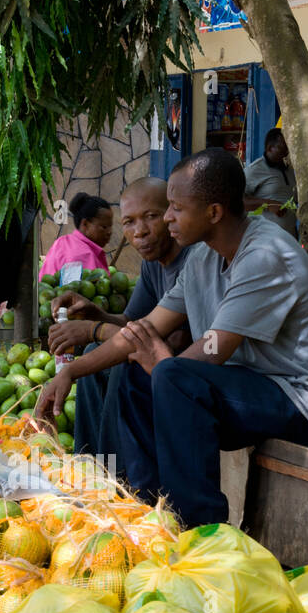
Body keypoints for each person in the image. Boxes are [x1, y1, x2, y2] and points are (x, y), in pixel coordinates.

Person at [37, 148, 308, 528]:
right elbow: (145, 329)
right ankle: (139, 507)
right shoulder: (203, 256)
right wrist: (71, 373)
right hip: (251, 386)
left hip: (305, 402)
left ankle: (198, 531)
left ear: (214, 212)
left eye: (174, 208)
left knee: (172, 378)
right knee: (133, 371)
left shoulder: (265, 254)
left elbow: (213, 351)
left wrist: (162, 363)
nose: (167, 217)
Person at [47, 177, 193, 460]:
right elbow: (130, 321)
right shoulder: (152, 265)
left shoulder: (192, 262)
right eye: (128, 222)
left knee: (123, 365)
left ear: (171, 215)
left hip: (184, 368)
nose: (140, 232)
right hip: (159, 359)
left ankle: (117, 475)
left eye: (151, 217)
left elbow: (154, 339)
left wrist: (94, 329)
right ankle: (90, 463)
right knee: (94, 355)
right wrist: (94, 313)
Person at [40, 193, 113, 277]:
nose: (109, 232)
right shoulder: (81, 256)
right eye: (104, 227)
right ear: (85, 224)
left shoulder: (63, 241)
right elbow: (74, 288)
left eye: (110, 226)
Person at [244, 128, 297, 238]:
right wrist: (268, 204)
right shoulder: (255, 169)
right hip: (265, 240)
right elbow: (238, 202)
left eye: (287, 148)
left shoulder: (289, 170)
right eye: (282, 148)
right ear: (269, 148)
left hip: (289, 239)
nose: (286, 152)